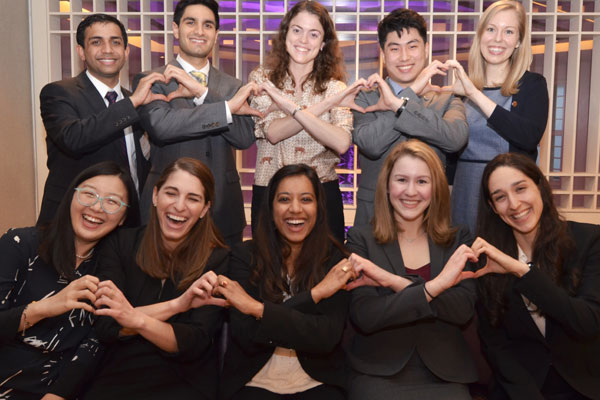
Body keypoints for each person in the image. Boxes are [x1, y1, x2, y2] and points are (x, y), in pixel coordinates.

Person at [81, 158, 229, 399]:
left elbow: (192, 343)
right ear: (155, 196)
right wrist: (176, 306)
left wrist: (132, 319)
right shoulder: (121, 243)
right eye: (171, 193)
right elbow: (107, 327)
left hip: (186, 380)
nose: (179, 206)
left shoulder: (217, 259)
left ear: (204, 209)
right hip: (119, 375)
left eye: (193, 198)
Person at [346, 140, 477, 400]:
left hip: (445, 373)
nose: (410, 191)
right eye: (402, 180)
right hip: (379, 371)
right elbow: (366, 315)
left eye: (422, 182)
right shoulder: (361, 239)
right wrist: (435, 288)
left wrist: (392, 282)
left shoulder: (458, 238)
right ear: (386, 185)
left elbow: (462, 310)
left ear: (436, 188)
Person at [0, 161, 138, 400]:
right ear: (71, 196)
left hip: (63, 390)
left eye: (112, 201)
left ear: (124, 217)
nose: (97, 207)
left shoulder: (114, 267)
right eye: (89, 194)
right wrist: (46, 307)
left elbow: (96, 344)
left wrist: (57, 395)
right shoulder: (20, 244)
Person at [217, 164, 354, 400]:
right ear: (270, 208)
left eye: (306, 199)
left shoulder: (335, 259)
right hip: (253, 382)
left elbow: (325, 337)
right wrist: (315, 295)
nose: (295, 209)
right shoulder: (243, 256)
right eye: (284, 199)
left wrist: (257, 309)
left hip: (318, 383)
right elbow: (247, 335)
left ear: (319, 209)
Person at [472, 153, 600, 399]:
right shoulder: (487, 257)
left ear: (540, 187)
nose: (514, 204)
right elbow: (494, 343)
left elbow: (587, 321)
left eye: (521, 189)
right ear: (492, 207)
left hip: (584, 384)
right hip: (521, 387)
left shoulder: (589, 240)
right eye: (500, 197)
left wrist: (522, 271)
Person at [134, 0, 259, 248]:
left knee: (220, 284)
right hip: (168, 207)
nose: (200, 31)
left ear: (216, 34)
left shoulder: (234, 86)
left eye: (208, 25)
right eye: (191, 22)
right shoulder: (154, 79)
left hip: (222, 206)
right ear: (175, 29)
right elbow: (162, 126)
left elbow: (244, 136)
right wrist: (225, 108)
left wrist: (202, 94)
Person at [248, 0, 365, 242]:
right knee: (268, 273)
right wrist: (324, 107)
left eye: (314, 34)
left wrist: (291, 108)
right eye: (297, 30)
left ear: (323, 44)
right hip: (270, 190)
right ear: (285, 34)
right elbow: (273, 132)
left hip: (321, 194)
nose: (303, 40)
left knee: (324, 272)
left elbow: (342, 142)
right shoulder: (262, 79)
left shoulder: (336, 87)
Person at [38, 13, 163, 225]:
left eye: (115, 42)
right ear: (81, 52)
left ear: (125, 51)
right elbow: (74, 138)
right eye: (96, 42)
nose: (107, 50)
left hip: (127, 224)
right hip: (73, 222)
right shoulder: (59, 93)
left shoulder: (136, 101)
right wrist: (132, 104)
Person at [352, 8, 468, 226]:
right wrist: (412, 92)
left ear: (426, 49)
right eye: (394, 49)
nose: (404, 57)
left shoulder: (446, 98)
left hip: (429, 219)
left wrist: (400, 102)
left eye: (412, 46)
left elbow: (456, 139)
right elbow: (370, 144)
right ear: (383, 54)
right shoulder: (365, 98)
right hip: (374, 219)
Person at [447, 0, 549, 233]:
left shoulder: (532, 85)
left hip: (509, 196)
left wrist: (474, 93)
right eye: (491, 29)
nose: (498, 39)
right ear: (480, 34)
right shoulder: (461, 89)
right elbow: (451, 154)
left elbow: (528, 136)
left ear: (519, 41)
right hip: (465, 193)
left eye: (509, 31)